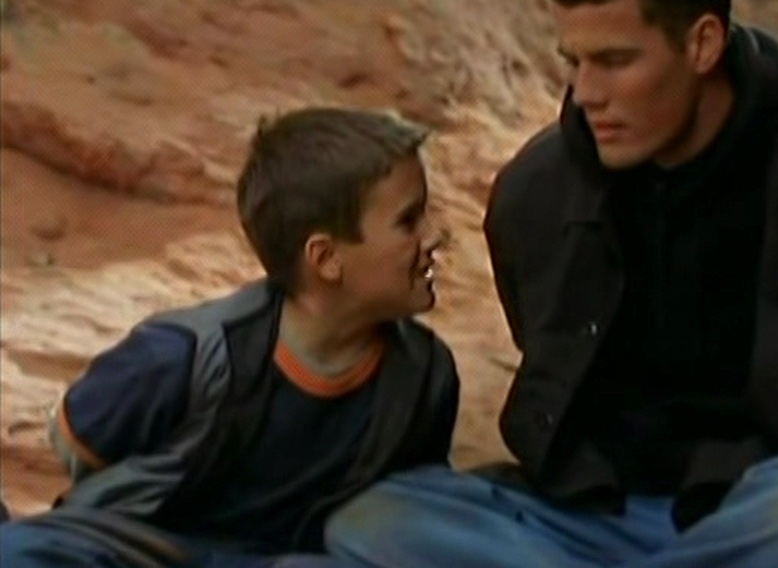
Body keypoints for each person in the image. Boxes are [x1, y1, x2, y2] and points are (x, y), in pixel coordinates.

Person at [321, 0, 778, 567]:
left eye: (615, 61)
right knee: (379, 519)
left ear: (702, 44)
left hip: (776, 509)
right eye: (574, 62)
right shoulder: (538, 194)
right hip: (601, 516)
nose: (586, 93)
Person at [0, 107, 459, 567]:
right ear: (325, 259)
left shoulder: (423, 376)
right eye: (408, 221)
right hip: (143, 550)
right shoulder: (180, 356)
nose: (436, 236)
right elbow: (77, 440)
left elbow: (399, 513)